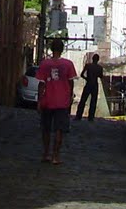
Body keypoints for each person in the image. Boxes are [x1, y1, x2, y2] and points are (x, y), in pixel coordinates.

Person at [35, 35, 77, 164]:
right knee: (59, 129)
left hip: (47, 100)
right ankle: (56, 156)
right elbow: (71, 83)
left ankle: (46, 153)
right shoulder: (68, 64)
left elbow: (41, 84)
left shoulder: (45, 64)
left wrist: (39, 100)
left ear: (51, 49)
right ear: (62, 49)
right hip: (62, 101)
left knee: (46, 128)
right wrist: (70, 96)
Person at [74, 52, 105, 121]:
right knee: (93, 101)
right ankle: (91, 117)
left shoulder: (88, 65)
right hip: (95, 85)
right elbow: (101, 76)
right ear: (98, 60)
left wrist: (87, 78)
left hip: (88, 84)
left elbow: (82, 74)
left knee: (83, 100)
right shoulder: (99, 68)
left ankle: (78, 116)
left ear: (92, 59)